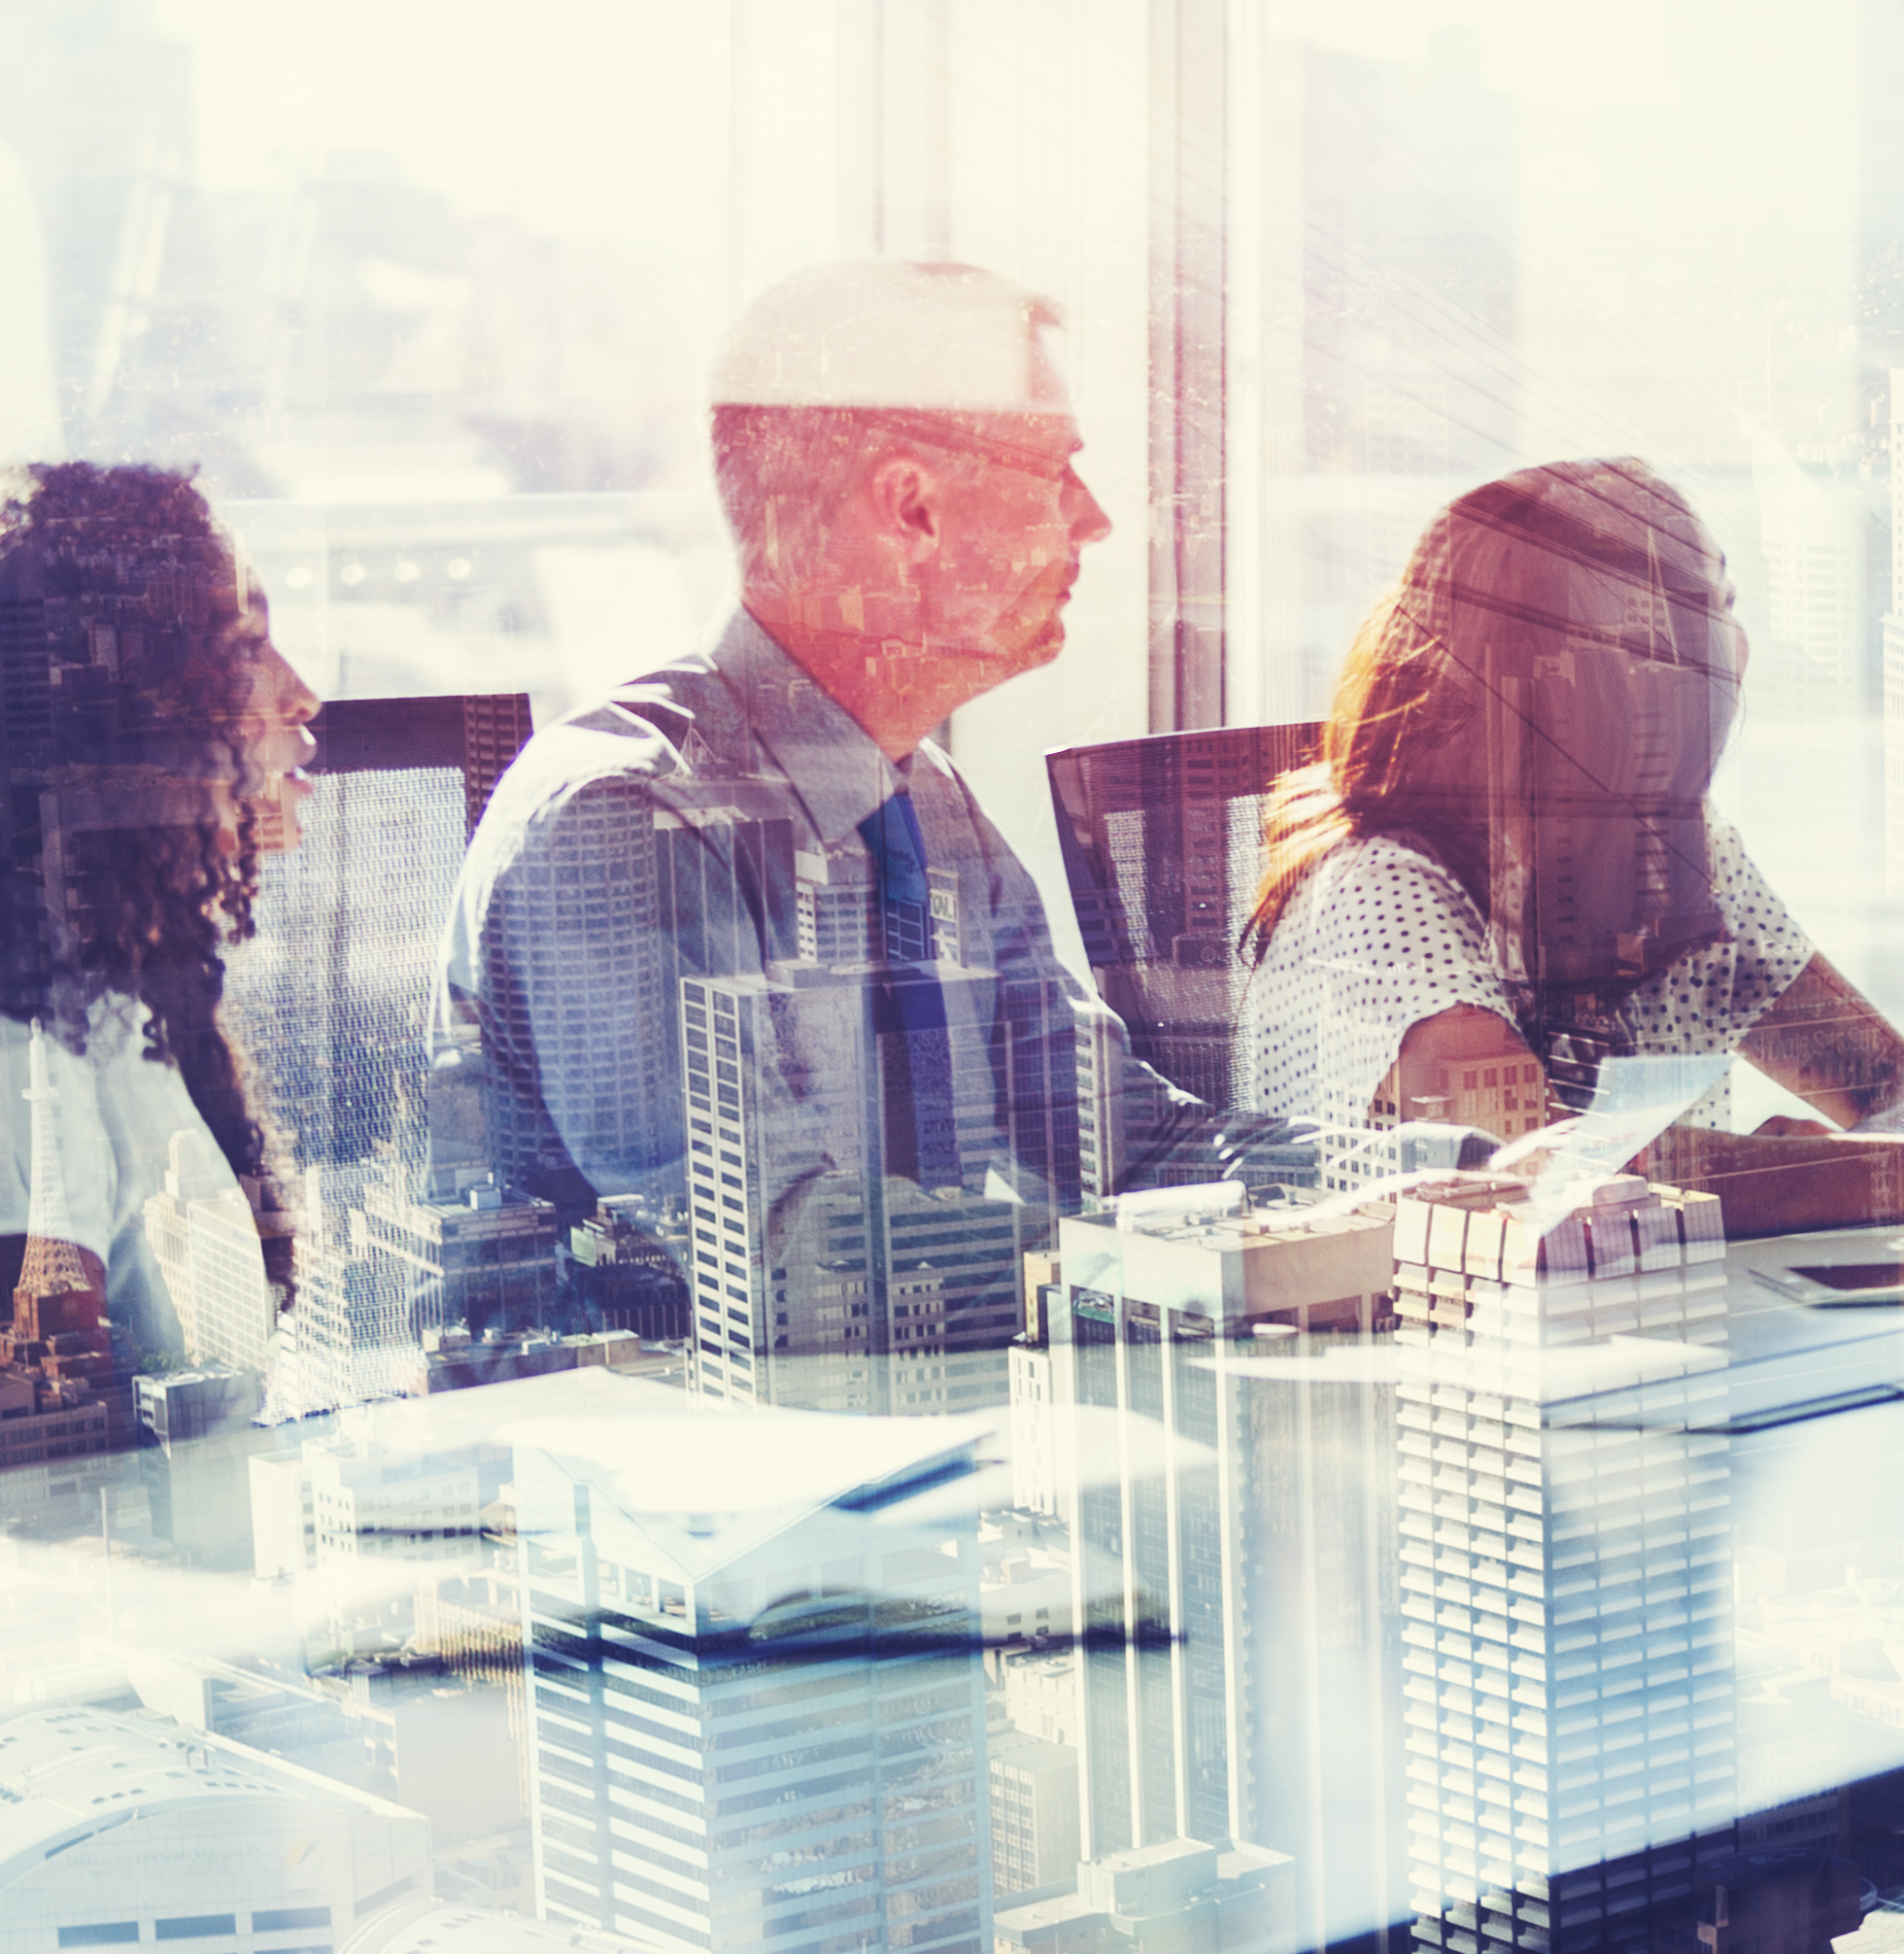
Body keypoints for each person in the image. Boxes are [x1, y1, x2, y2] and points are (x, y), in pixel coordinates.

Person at [449, 257, 1326, 1288]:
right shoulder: (625, 823)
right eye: (1054, 470)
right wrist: (1125, 1265)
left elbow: (1122, 1146)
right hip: (675, 1433)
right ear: (910, 509)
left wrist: (1433, 1187)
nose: (1092, 518)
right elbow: (778, 1255)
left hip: (916, 1419)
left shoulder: (928, 804)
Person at [1235, 459, 1904, 1171]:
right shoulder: (1378, 889)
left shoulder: (1674, 852)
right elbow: (1547, 1173)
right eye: (1717, 609)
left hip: (1649, 1293)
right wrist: (1827, 1172)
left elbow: (1896, 1090)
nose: (1738, 651)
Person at [0, 463, 321, 1396]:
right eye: (246, 643)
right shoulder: (26, 1055)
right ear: (141, 711)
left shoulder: (113, 996)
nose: (299, 692)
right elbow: (44, 1465)